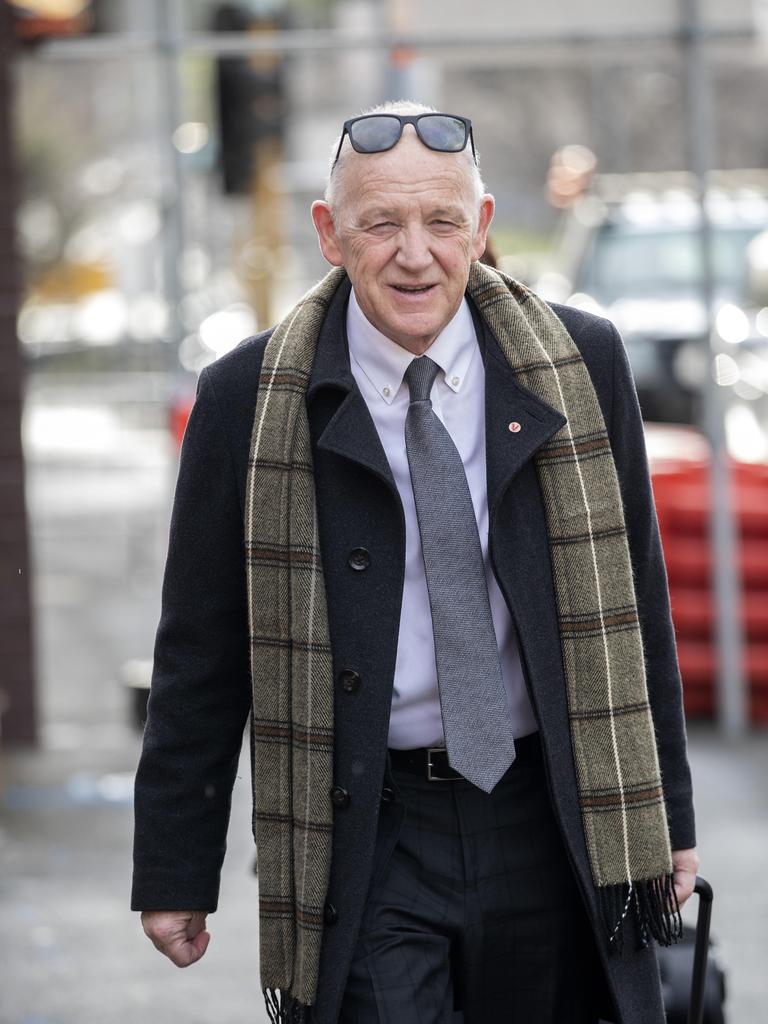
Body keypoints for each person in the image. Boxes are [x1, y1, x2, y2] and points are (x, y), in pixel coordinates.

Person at [132, 101, 699, 1024]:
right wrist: (174, 866)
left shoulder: (583, 364)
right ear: (328, 234)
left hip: (549, 811)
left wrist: (667, 819)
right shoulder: (246, 399)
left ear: (478, 228)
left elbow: (634, 601)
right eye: (380, 223)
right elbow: (200, 648)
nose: (414, 252)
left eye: (440, 221)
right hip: (369, 825)